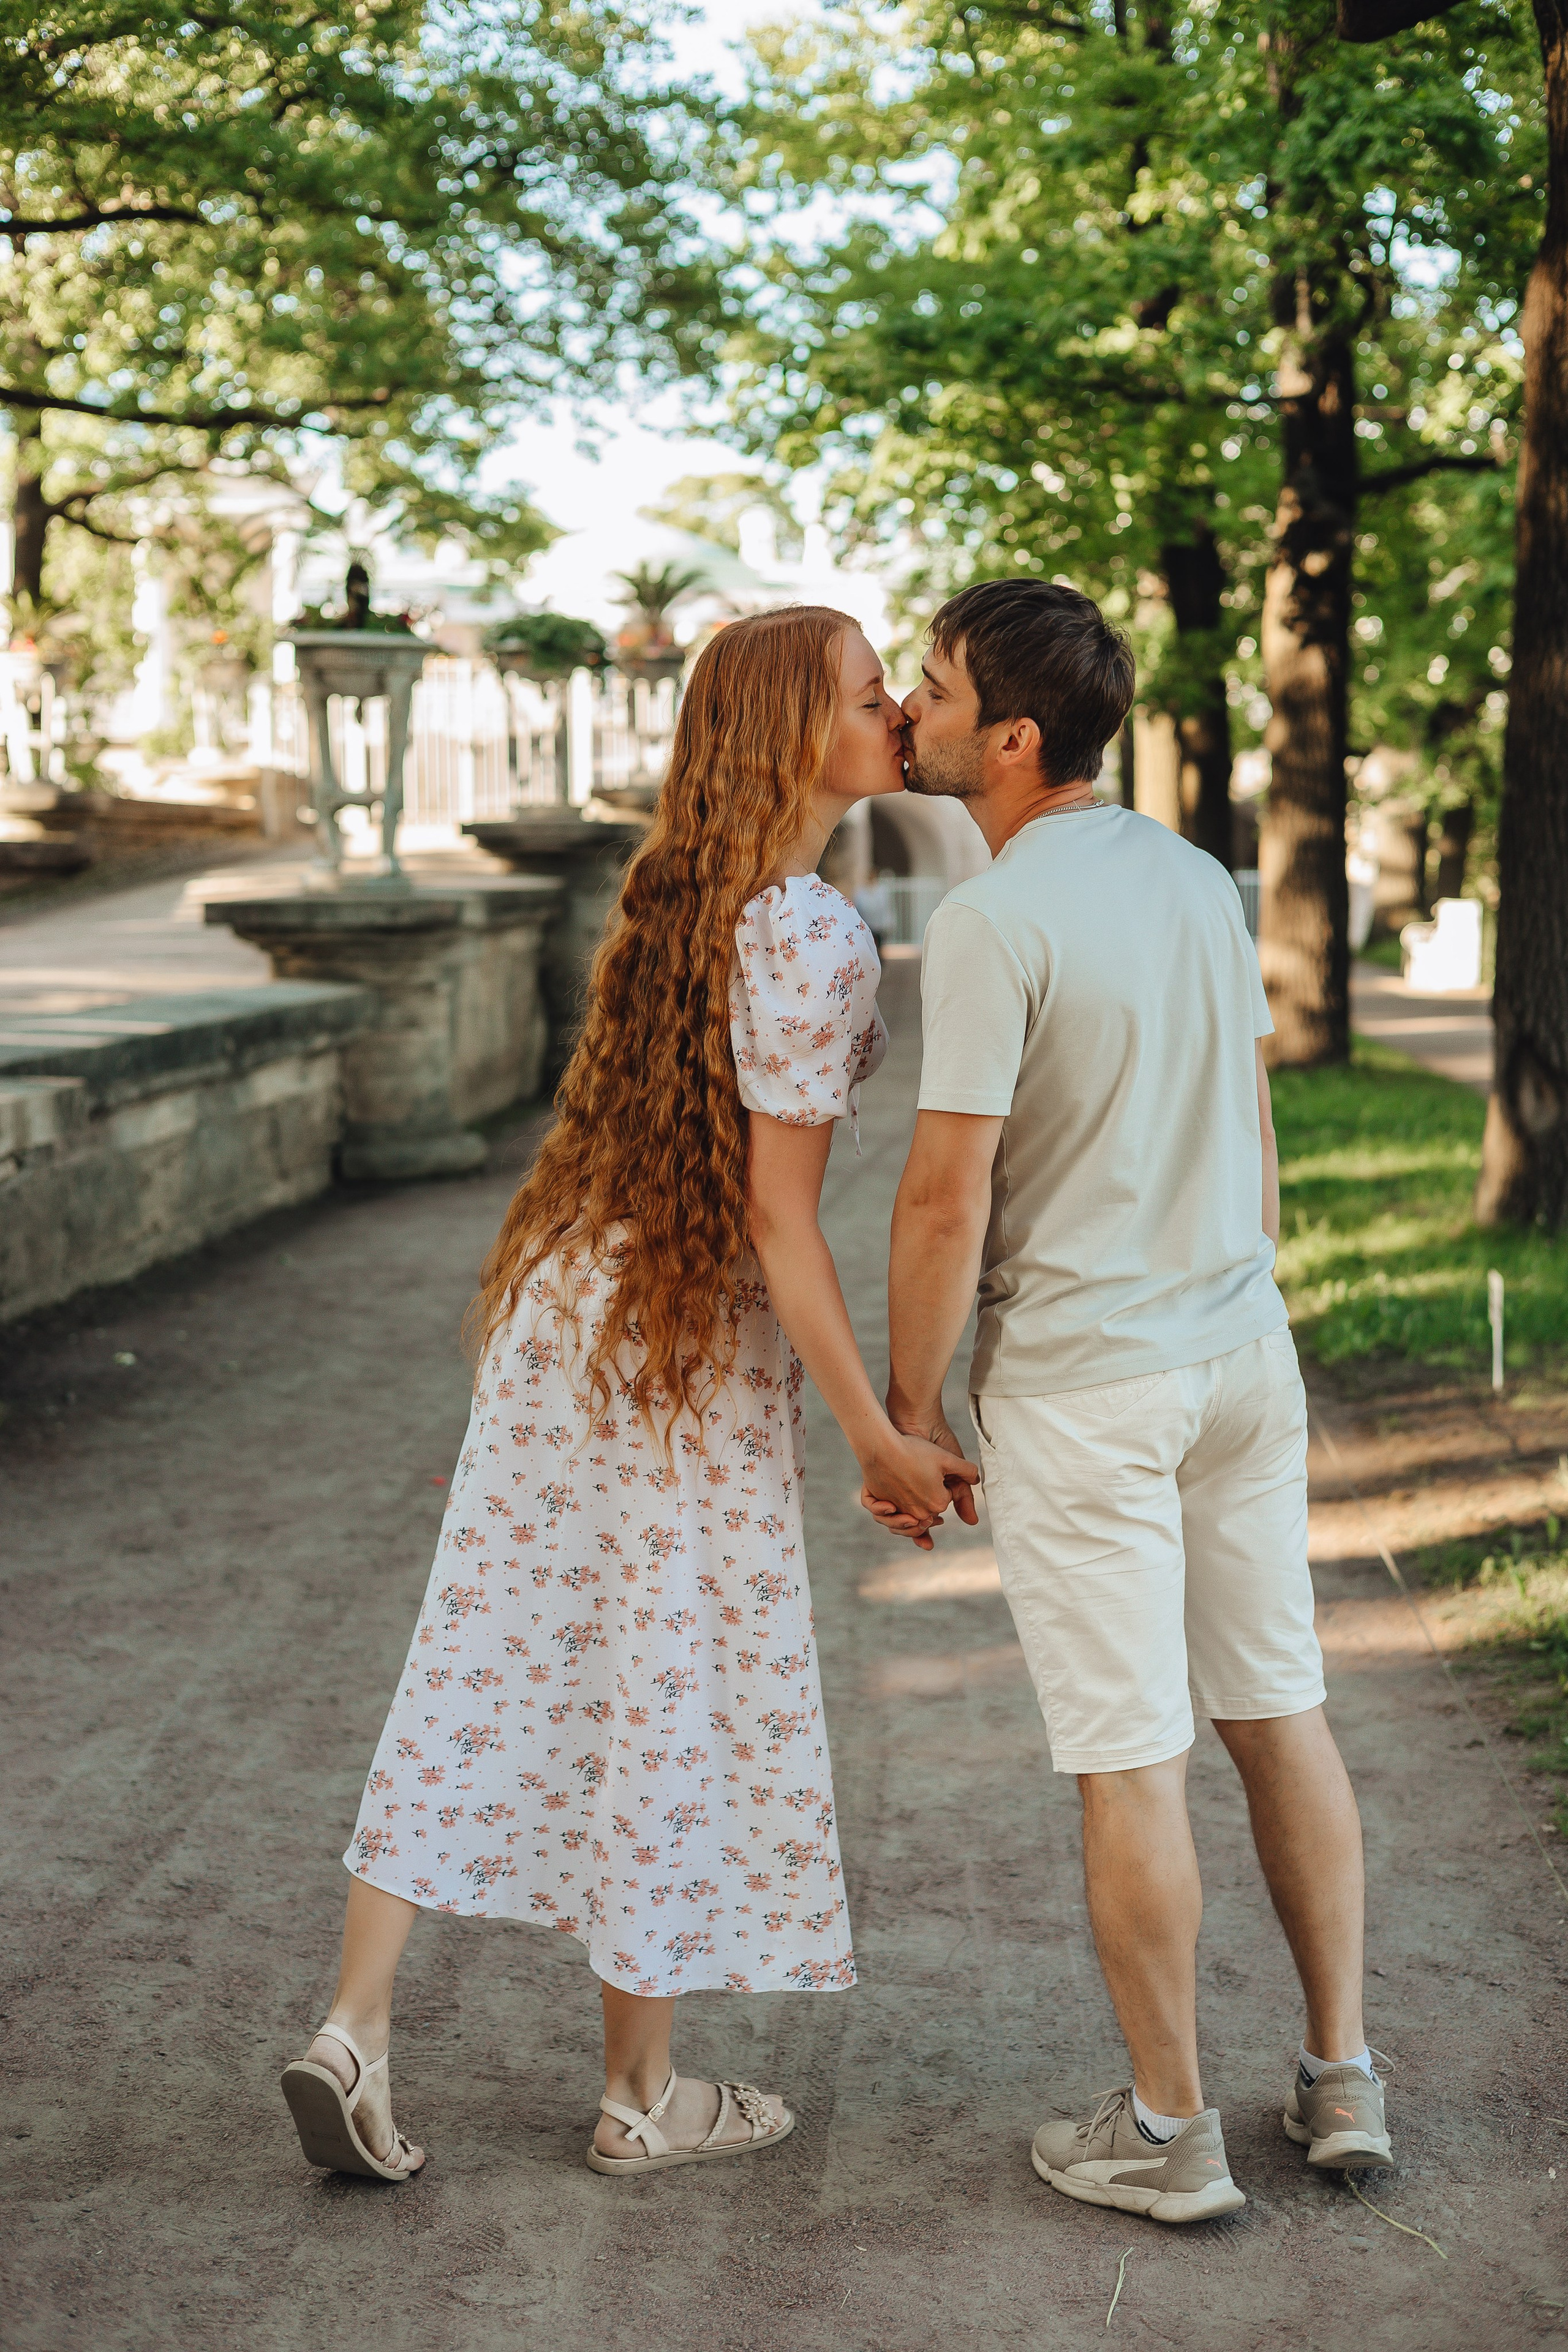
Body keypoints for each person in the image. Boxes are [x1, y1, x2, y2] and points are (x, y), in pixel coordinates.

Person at [281, 605, 977, 2183]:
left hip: (573, 1310)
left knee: (481, 1648)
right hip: (683, 1346)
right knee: (664, 1679)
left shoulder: (685, 894)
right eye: (872, 697)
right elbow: (781, 1224)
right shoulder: (808, 932)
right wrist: (875, 1425)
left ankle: (356, 2028)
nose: (895, 717)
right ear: (795, 737)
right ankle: (642, 2098)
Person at [870, 578, 1387, 2225]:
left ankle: (1171, 2137)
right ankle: (1341, 2074)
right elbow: (1249, 1121)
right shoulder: (1194, 878)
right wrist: (1241, 1293)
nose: (912, 708)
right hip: (1240, 1357)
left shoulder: (990, 920)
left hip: (1091, 1386)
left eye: (937, 689)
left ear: (1010, 740)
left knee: (1131, 1759)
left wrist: (910, 1406)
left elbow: (946, 1200)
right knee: (1277, 1708)